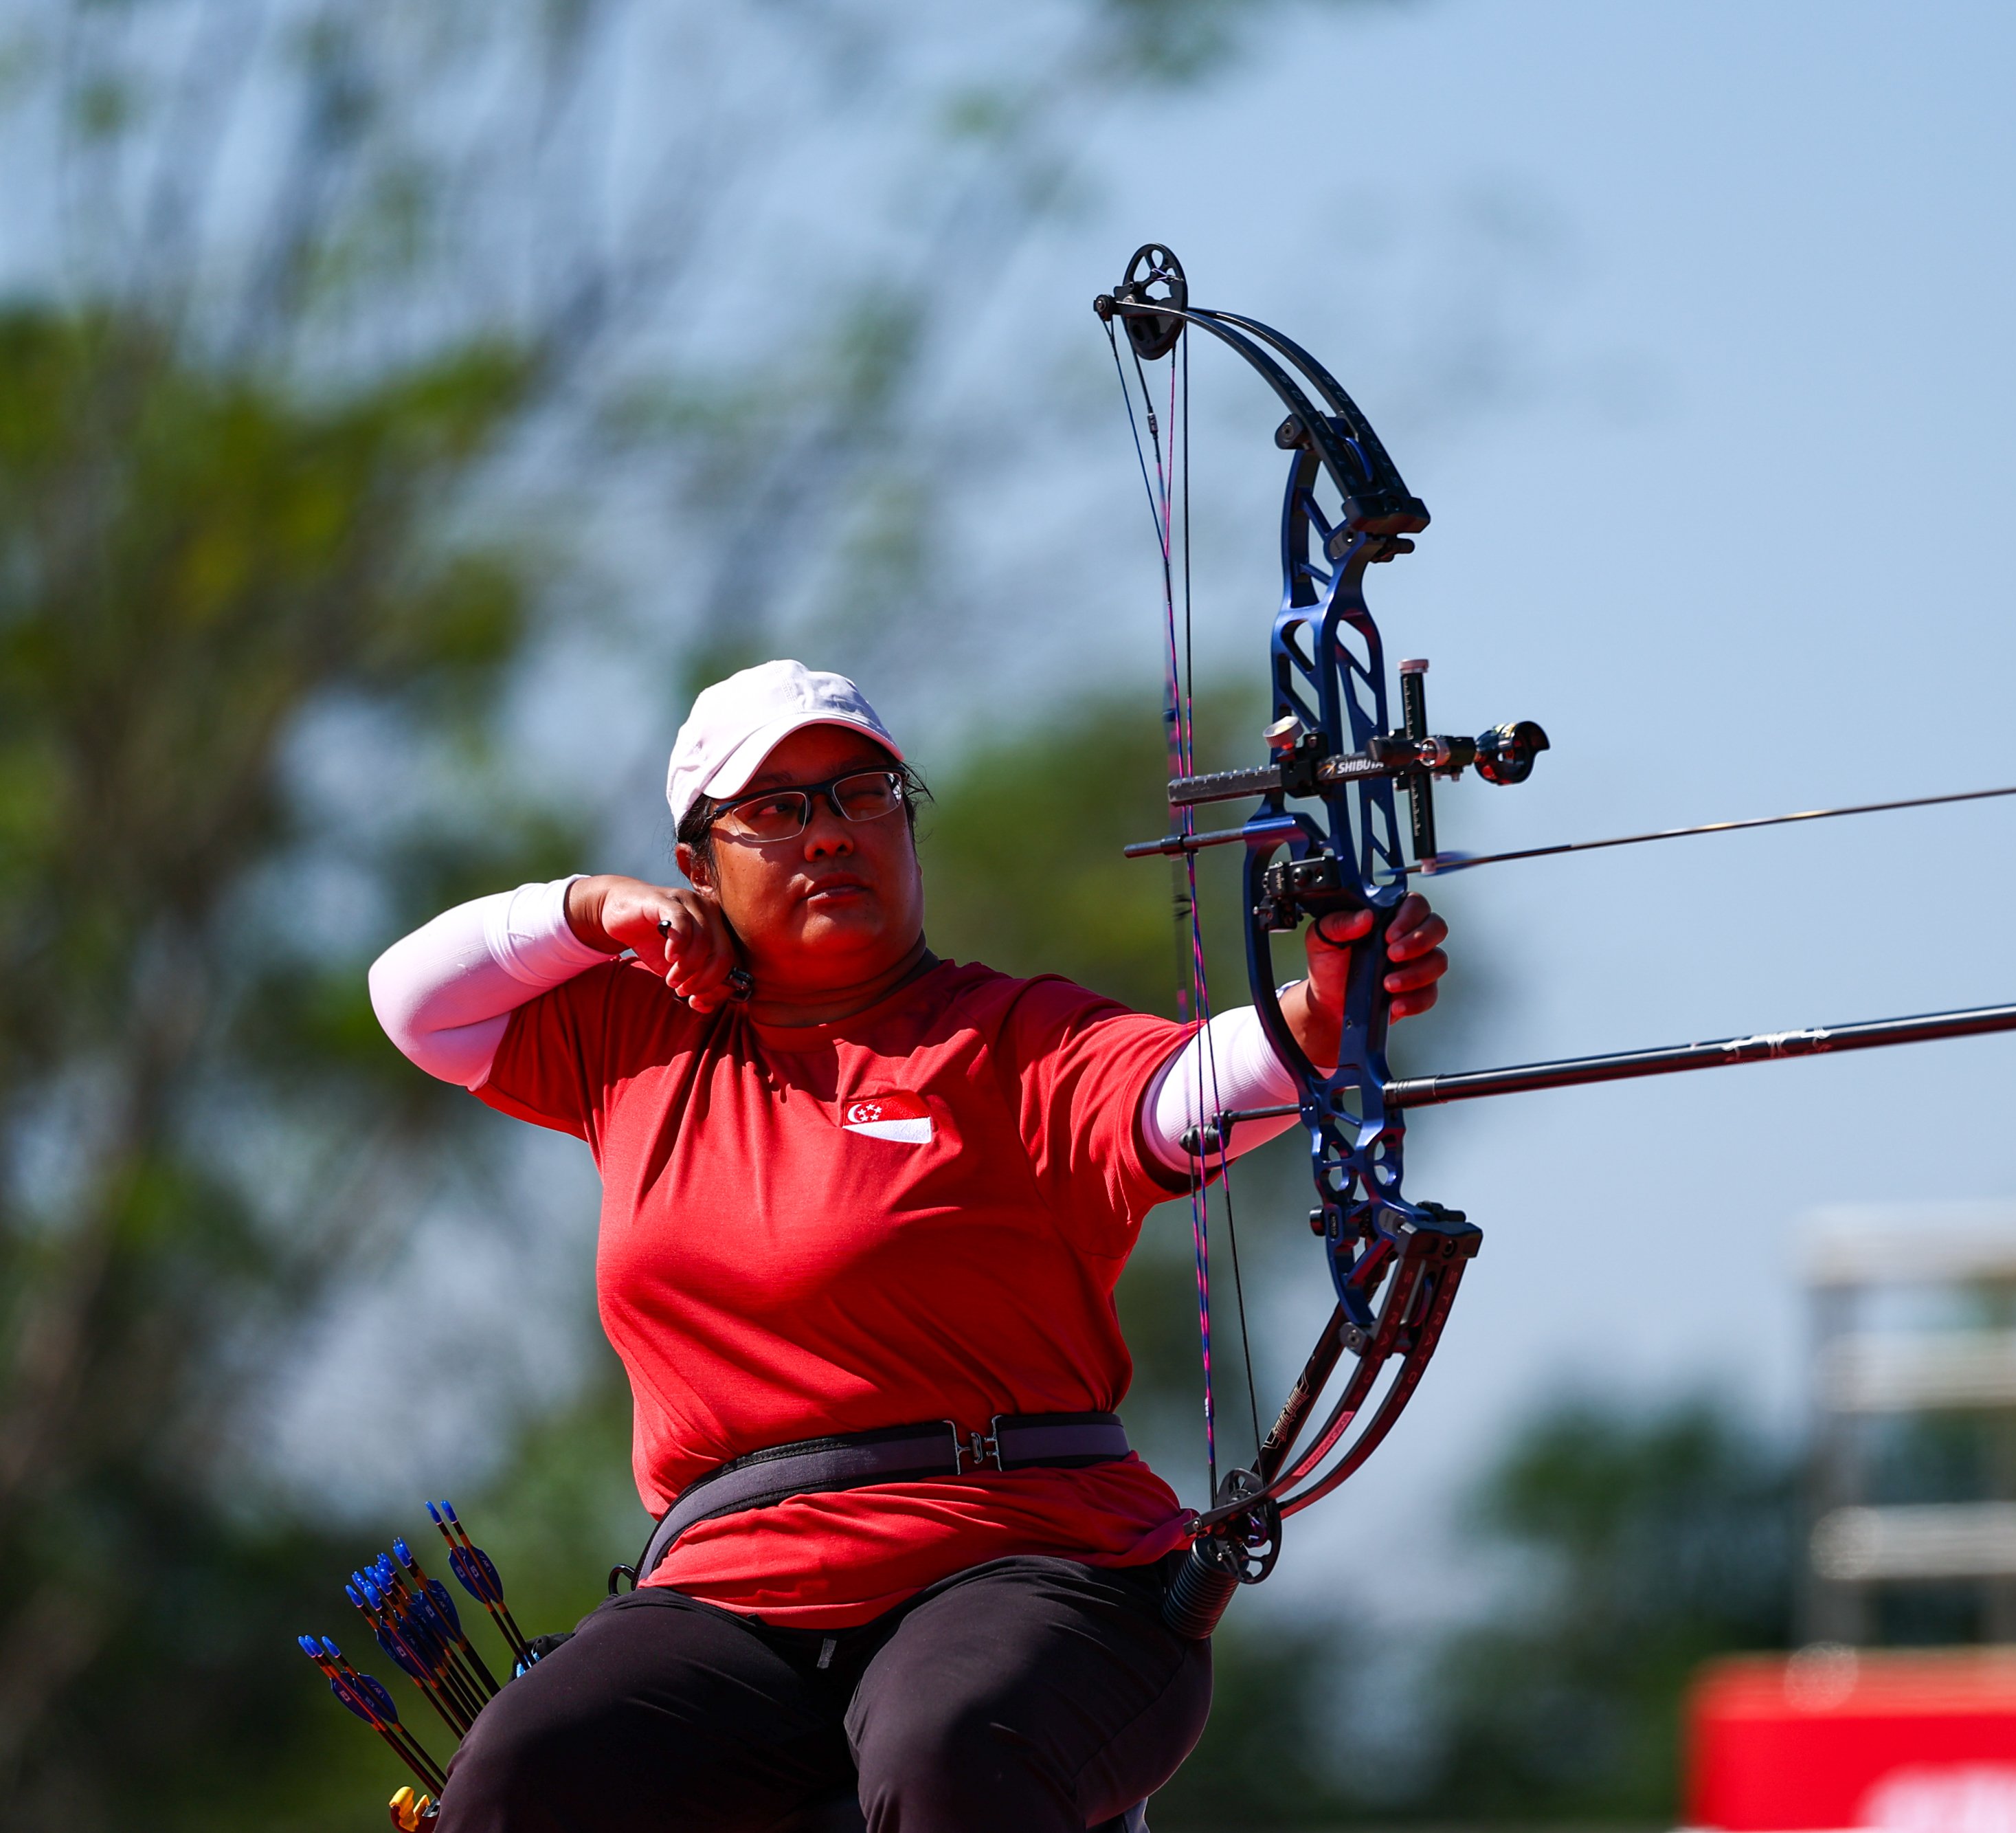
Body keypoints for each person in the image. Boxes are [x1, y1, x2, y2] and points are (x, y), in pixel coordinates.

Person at [366, 660, 1451, 1833]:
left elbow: (1176, 1090)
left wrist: (1322, 1018)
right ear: (697, 868)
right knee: (522, 1766)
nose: (828, 835)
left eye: (862, 794)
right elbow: (415, 1004)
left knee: (948, 1750)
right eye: (775, 810)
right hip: (730, 1595)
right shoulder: (638, 1036)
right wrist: (588, 910)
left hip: (1026, 1560)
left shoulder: (1010, 1039)